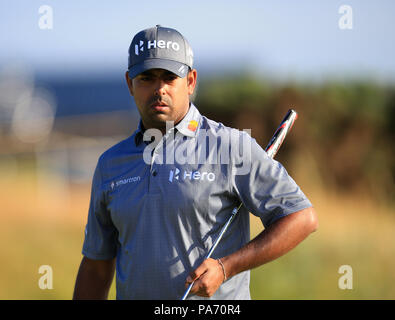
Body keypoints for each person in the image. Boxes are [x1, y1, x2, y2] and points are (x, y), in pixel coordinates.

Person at [73, 25, 318, 300]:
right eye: (147, 78)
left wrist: (226, 268)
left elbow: (301, 217)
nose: (159, 89)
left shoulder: (230, 146)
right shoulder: (111, 164)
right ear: (130, 83)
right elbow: (96, 266)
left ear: (190, 81)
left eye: (169, 77)